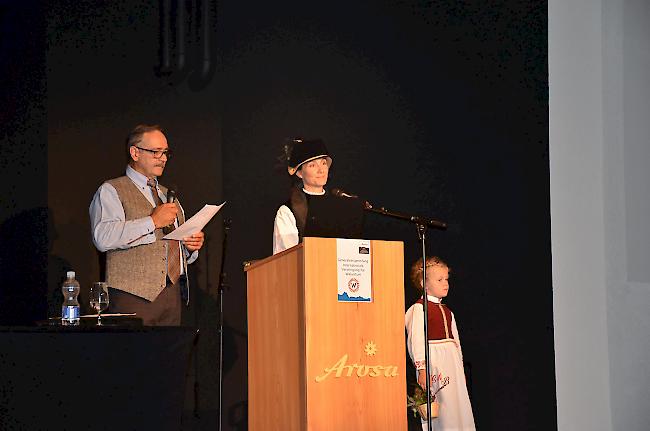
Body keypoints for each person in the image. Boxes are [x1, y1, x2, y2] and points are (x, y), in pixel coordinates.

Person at [89, 124, 204, 325]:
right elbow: (103, 237)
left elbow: (171, 246)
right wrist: (152, 221)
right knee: (135, 356)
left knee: (168, 356)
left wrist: (189, 247)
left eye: (166, 152)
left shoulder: (168, 195)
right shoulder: (112, 189)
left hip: (172, 296)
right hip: (132, 297)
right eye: (155, 152)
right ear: (135, 152)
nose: (163, 158)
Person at [405, 256, 476, 431]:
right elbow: (416, 340)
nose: (446, 283)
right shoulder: (419, 309)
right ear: (424, 283)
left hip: (451, 362)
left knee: (457, 404)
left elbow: (456, 342)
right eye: (439, 279)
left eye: (446, 279)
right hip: (435, 362)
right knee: (442, 407)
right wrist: (422, 368)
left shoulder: (448, 311)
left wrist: (459, 368)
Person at [272, 138, 332, 254]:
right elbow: (287, 256)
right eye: (312, 165)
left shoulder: (338, 204)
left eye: (323, 163)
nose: (321, 170)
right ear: (299, 173)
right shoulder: (287, 211)